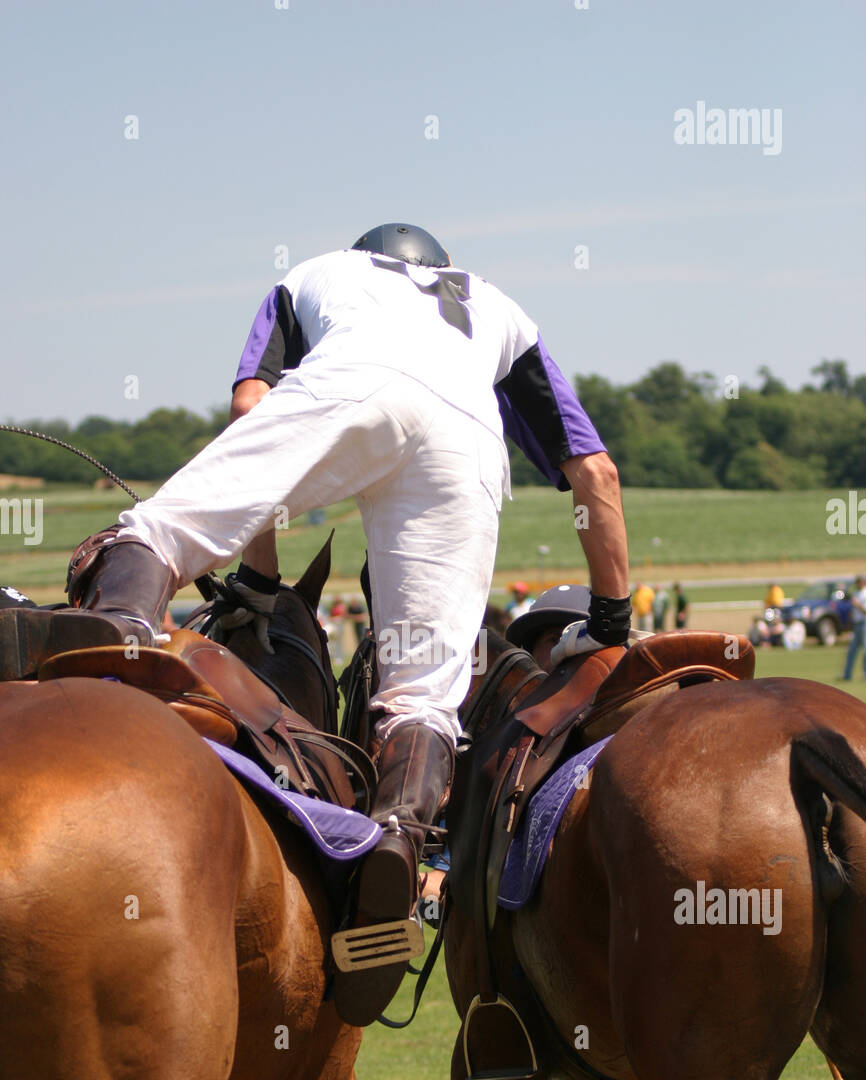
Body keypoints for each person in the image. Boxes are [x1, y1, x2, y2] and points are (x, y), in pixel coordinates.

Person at [10, 223, 631, 1023]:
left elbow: (249, 406)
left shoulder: (315, 275)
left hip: (352, 387)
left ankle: (120, 637)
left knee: (156, 536)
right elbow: (595, 472)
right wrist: (611, 619)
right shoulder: (498, 308)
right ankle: (399, 844)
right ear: (441, 269)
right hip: (466, 441)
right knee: (422, 697)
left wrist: (261, 577)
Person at [490, 585, 716, 1080]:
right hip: (527, 1005)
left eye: (549, 642)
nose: (541, 661)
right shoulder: (514, 746)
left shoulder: (647, 761)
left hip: (625, 1008)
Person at [842, 576, 866, 681]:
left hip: (864, 623)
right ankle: (847, 675)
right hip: (856, 624)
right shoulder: (856, 594)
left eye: (859, 582)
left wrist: (857, 605)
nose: (857, 584)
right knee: (851, 650)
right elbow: (853, 610)